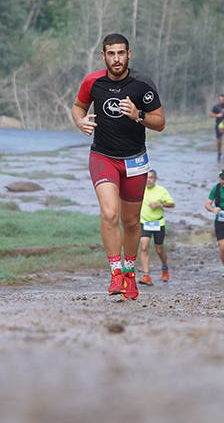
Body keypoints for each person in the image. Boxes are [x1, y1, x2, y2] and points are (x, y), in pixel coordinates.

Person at [72, 32, 165, 301]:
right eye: (111, 53)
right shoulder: (93, 81)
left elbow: (160, 122)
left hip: (135, 159)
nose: (116, 59)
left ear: (129, 54)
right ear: (103, 56)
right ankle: (115, 273)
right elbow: (78, 107)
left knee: (132, 222)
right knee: (110, 213)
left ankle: (130, 274)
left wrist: (139, 115)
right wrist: (80, 122)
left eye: (121, 53)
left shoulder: (142, 84)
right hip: (103, 156)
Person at [139, 170, 175, 285]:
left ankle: (164, 267)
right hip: (144, 222)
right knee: (144, 246)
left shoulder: (161, 190)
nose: (148, 180)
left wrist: (159, 204)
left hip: (158, 223)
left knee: (159, 249)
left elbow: (172, 204)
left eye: (151, 178)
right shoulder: (139, 189)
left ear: (155, 179)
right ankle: (146, 275)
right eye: (147, 178)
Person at [209, 94, 224, 163]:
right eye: (220, 99)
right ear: (218, 100)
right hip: (218, 126)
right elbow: (211, 114)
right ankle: (219, 153)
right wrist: (217, 115)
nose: (222, 100)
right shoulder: (216, 107)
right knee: (219, 141)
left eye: (223, 99)